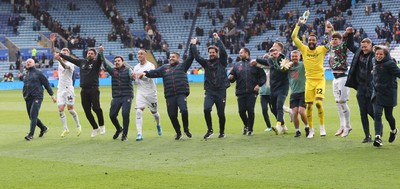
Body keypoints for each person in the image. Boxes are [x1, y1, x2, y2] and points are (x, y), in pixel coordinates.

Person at [139, 50, 194, 140]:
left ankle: (186, 129)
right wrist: (145, 73)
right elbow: (154, 72)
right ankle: (178, 132)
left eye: (173, 57)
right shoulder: (164, 68)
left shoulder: (182, 66)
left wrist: (193, 45)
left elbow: (190, 58)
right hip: (170, 95)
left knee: (184, 110)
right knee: (172, 115)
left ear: (178, 58)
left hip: (181, 93)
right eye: (170, 57)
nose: (171, 58)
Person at [291, 17, 329, 138]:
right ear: (307, 40)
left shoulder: (321, 49)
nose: (311, 41)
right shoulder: (304, 49)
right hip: (309, 82)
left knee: (318, 103)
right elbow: (293, 37)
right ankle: (311, 130)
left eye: (313, 40)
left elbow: (331, 42)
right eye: (310, 40)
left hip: (320, 80)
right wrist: (298, 25)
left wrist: (330, 31)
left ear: (316, 41)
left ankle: (322, 127)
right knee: (308, 106)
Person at [58, 46, 105, 138]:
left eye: (92, 53)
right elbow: (70, 59)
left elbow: (100, 59)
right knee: (87, 111)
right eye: (88, 53)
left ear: (94, 56)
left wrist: (100, 52)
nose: (89, 54)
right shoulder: (82, 62)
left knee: (96, 108)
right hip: (84, 90)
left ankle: (102, 125)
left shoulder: (96, 63)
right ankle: (95, 128)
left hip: (94, 89)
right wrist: (60, 54)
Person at [190, 33, 230, 139]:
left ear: (217, 53)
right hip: (210, 91)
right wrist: (193, 45)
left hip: (221, 91)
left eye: (213, 52)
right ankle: (210, 130)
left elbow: (224, 52)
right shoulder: (206, 63)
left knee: (221, 113)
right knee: (206, 109)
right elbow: (197, 57)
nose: (211, 54)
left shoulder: (222, 62)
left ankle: (222, 132)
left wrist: (217, 39)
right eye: (210, 52)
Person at [253, 42, 290, 135]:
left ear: (279, 51)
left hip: (283, 87)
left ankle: (278, 126)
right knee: (273, 109)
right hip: (273, 88)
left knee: (279, 105)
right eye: (271, 52)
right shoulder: (270, 60)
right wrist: (255, 60)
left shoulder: (284, 59)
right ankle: (283, 125)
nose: (273, 53)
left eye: (275, 51)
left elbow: (281, 69)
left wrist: (275, 61)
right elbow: (265, 62)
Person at [345, 31, 375, 143]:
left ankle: (378, 125)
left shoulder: (375, 55)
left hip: (371, 87)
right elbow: (350, 45)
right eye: (362, 47)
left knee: (371, 111)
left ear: (371, 46)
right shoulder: (359, 52)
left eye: (366, 47)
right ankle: (367, 136)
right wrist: (351, 34)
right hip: (360, 87)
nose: (363, 49)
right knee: (363, 112)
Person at [229, 47, 266, 136]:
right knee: (241, 111)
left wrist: (258, 85)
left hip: (252, 91)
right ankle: (246, 125)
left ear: (247, 53)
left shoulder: (254, 64)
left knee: (250, 110)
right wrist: (231, 77)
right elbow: (232, 77)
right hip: (240, 91)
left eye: (241, 52)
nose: (240, 54)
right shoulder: (237, 65)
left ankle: (250, 129)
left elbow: (263, 76)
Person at [324, 25, 352, 137]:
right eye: (333, 39)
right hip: (334, 78)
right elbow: (326, 41)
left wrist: (345, 33)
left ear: (340, 41)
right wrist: (328, 31)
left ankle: (348, 126)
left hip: (343, 77)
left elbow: (345, 40)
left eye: (336, 39)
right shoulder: (331, 48)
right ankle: (342, 125)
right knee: (337, 103)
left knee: (342, 101)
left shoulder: (342, 48)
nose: (333, 41)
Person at [371, 45, 400, 147]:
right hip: (377, 93)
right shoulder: (373, 61)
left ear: (385, 54)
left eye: (381, 54)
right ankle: (378, 137)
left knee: (388, 116)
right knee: (377, 114)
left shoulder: (390, 64)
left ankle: (394, 130)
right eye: (377, 54)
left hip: (388, 93)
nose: (378, 56)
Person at [22, 58, 57, 140]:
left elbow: (46, 84)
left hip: (37, 96)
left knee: (33, 115)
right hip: (28, 97)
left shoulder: (38, 73)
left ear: (34, 63)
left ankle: (31, 135)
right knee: (31, 117)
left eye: (30, 62)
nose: (28, 63)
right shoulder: (26, 74)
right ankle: (43, 128)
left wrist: (52, 95)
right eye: (27, 62)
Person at [102, 55, 133, 141]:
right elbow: (105, 64)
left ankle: (124, 135)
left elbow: (132, 77)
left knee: (125, 114)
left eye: (118, 60)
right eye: (115, 61)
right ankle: (119, 128)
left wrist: (133, 77)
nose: (117, 62)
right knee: (112, 115)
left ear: (122, 62)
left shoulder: (128, 70)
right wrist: (101, 53)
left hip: (127, 95)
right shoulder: (113, 71)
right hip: (116, 96)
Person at [132, 49, 162, 141]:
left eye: (141, 53)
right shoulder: (136, 67)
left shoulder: (150, 66)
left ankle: (158, 125)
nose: (139, 55)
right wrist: (134, 78)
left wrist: (143, 76)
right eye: (138, 54)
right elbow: (137, 82)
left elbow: (150, 78)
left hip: (151, 93)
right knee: (138, 112)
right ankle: (139, 134)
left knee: (155, 113)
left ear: (145, 55)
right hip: (141, 92)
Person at [53, 47, 82, 137]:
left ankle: (78, 125)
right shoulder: (59, 61)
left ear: (68, 55)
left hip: (68, 89)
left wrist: (59, 59)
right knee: (60, 109)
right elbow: (53, 52)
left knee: (70, 109)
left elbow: (65, 66)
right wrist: (52, 42)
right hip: (60, 89)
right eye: (63, 53)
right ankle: (65, 129)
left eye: (65, 53)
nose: (64, 54)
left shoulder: (71, 64)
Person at [287, 50, 309, 137]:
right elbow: (279, 68)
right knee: (294, 113)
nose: (294, 58)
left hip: (303, 92)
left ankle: (307, 127)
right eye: (293, 56)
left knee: (301, 111)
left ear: (299, 57)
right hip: (293, 93)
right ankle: (297, 131)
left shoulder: (303, 65)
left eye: (296, 56)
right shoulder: (288, 67)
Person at [255, 54, 274, 133]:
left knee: (274, 110)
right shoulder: (260, 70)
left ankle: (281, 124)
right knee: (264, 110)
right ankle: (269, 126)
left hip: (271, 93)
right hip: (263, 93)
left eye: (266, 59)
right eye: (264, 59)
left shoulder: (272, 69)